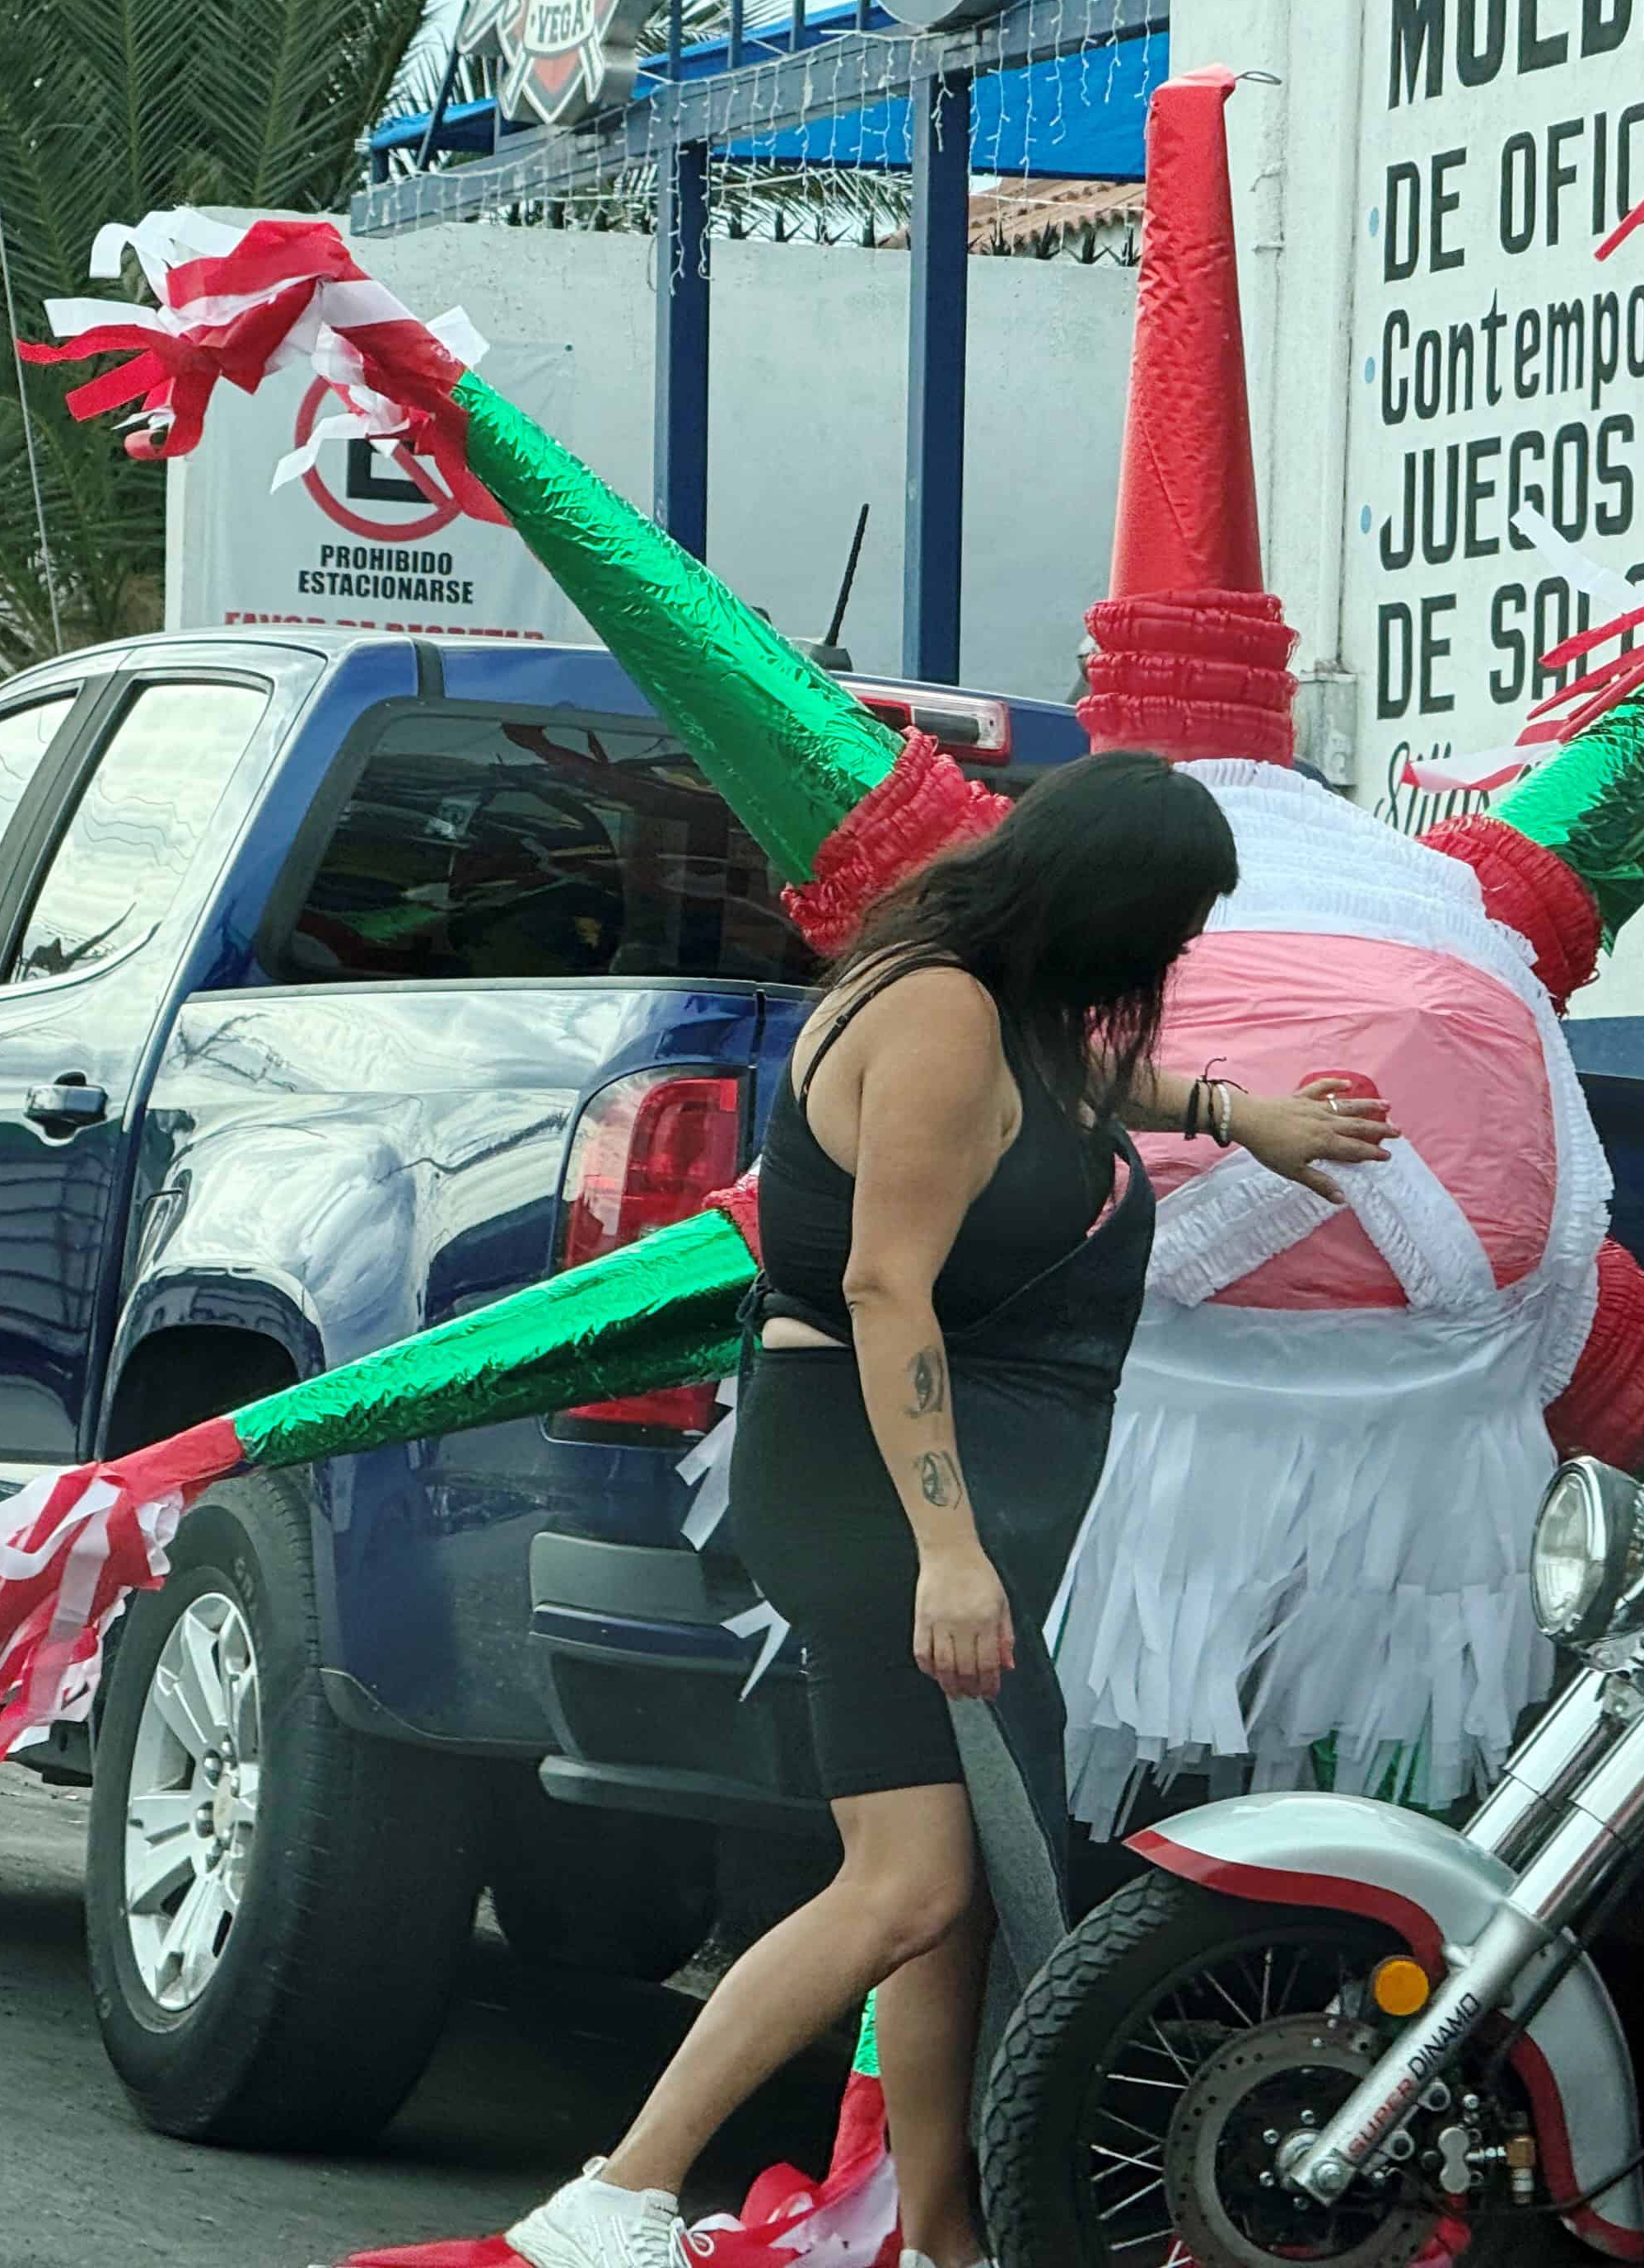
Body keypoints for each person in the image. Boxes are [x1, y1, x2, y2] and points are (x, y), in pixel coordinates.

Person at [502, 749, 1395, 2268]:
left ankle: (945, 2240)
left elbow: (1069, 1083)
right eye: (1169, 928)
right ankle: (619, 2192)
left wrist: (1241, 1117)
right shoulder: (937, 1012)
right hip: (875, 1497)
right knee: (906, 1882)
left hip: (914, 1502)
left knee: (956, 1888)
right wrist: (950, 1553)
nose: (1171, 960)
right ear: (1108, 904)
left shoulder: (979, 999)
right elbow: (880, 1290)